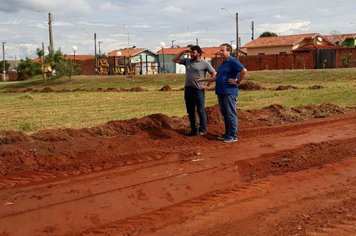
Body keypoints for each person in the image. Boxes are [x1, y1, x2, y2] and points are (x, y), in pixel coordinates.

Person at [197, 43, 247, 143]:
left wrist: (237, 81)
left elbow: (244, 71)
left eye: (222, 50)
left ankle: (233, 135)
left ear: (229, 51)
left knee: (230, 114)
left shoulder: (232, 61)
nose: (220, 52)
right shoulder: (222, 63)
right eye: (220, 50)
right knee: (225, 114)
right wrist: (203, 79)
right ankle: (227, 134)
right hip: (221, 91)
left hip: (229, 92)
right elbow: (216, 77)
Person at [172, 45, 216, 136]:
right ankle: (194, 129)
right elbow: (174, 59)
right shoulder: (187, 61)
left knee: (200, 110)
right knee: (190, 110)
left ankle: (203, 129)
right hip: (188, 90)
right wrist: (183, 51)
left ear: (199, 53)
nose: (191, 54)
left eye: (193, 52)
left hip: (198, 90)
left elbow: (214, 73)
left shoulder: (205, 63)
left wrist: (207, 86)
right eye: (190, 52)